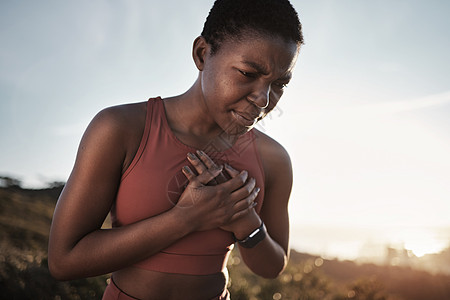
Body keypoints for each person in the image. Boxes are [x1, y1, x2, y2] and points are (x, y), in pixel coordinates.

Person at [48, 0, 304, 299]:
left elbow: (272, 267)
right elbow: (64, 261)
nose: (263, 99)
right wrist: (185, 218)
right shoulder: (120, 129)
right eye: (248, 74)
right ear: (202, 53)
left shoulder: (273, 160)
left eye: (279, 83)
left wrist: (245, 221)